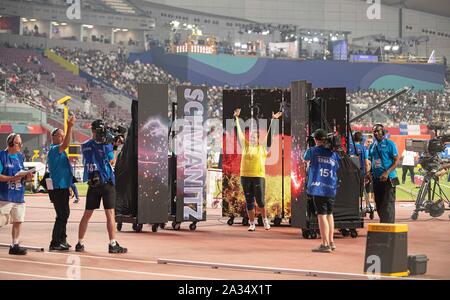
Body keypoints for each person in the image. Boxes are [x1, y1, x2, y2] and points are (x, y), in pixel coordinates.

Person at [76, 120, 127, 253]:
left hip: (92, 183)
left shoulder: (85, 145)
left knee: (87, 214)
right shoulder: (107, 146)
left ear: (92, 130)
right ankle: (112, 243)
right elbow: (112, 161)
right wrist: (115, 146)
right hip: (106, 182)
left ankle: (80, 243)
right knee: (110, 214)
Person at [234, 108, 282, 232]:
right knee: (249, 201)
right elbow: (239, 133)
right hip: (245, 176)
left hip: (258, 176)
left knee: (260, 201)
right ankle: (251, 223)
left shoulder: (263, 148)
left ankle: (265, 220)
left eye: (254, 137)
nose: (252, 139)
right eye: (251, 137)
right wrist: (237, 119)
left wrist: (274, 121)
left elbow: (270, 136)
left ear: (258, 139)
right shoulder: (245, 146)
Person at [304, 129, 340, 253]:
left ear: (316, 139)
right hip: (331, 187)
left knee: (322, 215)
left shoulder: (313, 151)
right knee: (330, 214)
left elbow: (305, 158)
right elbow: (337, 167)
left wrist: (316, 146)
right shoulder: (334, 154)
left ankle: (325, 244)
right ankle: (331, 242)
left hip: (319, 187)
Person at [0, 133, 34, 255]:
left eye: (20, 143)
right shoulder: (2, 156)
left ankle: (15, 245)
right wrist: (11, 178)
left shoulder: (20, 157)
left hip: (18, 195)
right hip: (5, 196)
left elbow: (21, 174)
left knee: (18, 221)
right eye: (17, 143)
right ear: (10, 144)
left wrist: (27, 177)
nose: (20, 145)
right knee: (1, 220)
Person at [47, 116, 75, 251]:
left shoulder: (59, 151)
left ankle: (62, 239)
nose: (63, 138)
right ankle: (55, 242)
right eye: (61, 135)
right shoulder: (54, 149)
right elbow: (66, 145)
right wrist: (69, 127)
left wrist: (69, 185)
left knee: (65, 213)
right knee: (62, 214)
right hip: (57, 187)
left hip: (62, 186)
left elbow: (64, 170)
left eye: (64, 136)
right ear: (54, 137)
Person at [366, 124, 400, 223]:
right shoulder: (372, 146)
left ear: (383, 132)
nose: (375, 133)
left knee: (388, 204)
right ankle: (383, 224)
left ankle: (389, 228)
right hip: (377, 179)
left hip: (389, 178)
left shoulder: (390, 144)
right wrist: (369, 173)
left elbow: (396, 161)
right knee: (379, 204)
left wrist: (387, 172)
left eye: (377, 131)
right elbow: (371, 161)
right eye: (374, 131)